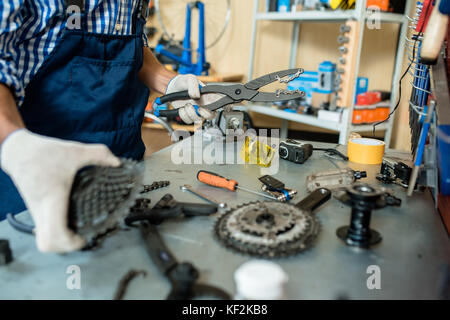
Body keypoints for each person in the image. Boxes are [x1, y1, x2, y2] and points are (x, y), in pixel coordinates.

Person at [0, 0, 219, 253]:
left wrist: (169, 83)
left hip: (122, 185)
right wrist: (17, 147)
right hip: (32, 189)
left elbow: (128, 44)